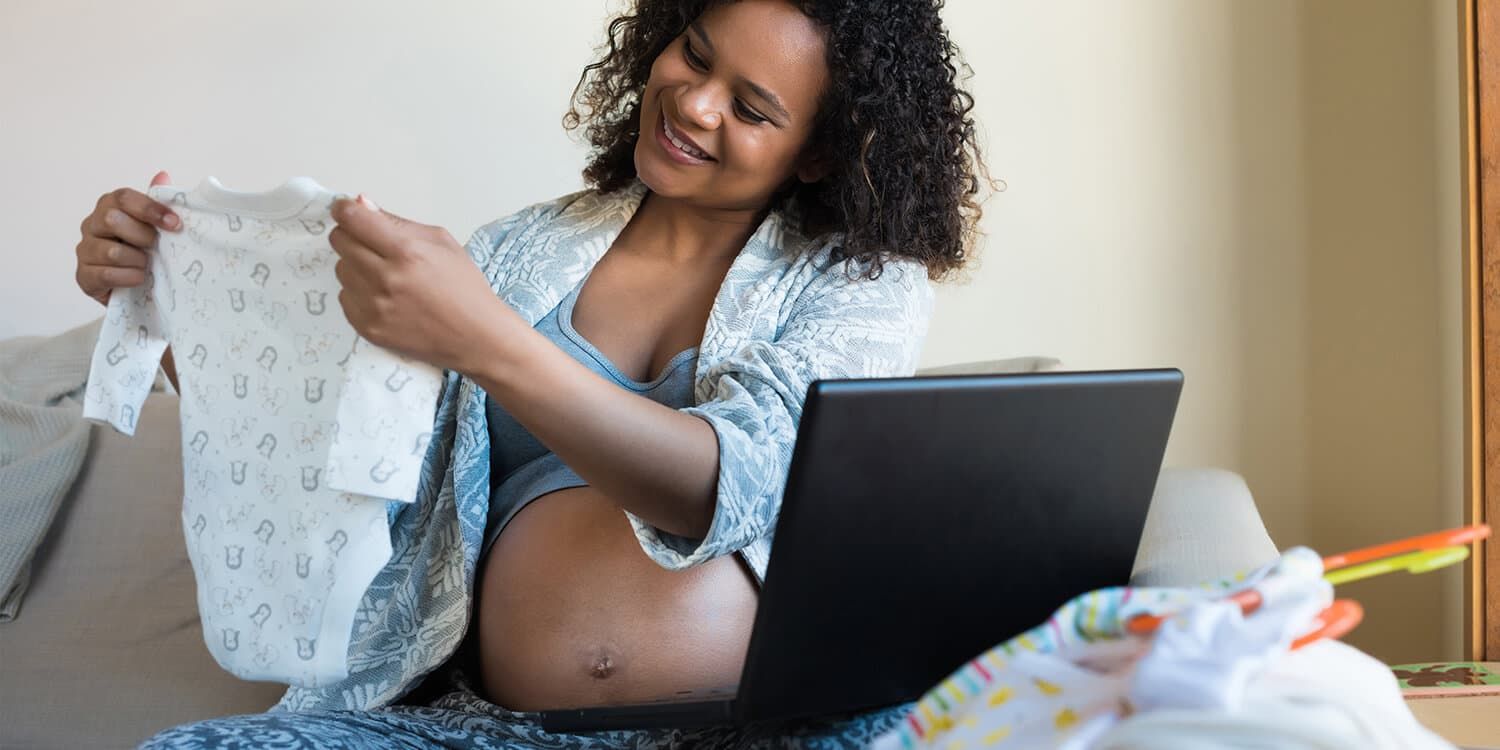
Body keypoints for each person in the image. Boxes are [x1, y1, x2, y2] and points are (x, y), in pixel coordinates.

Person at [75, 0, 986, 746]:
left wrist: (483, 340)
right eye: (694, 55)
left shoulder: (860, 282)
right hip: (486, 730)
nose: (696, 103)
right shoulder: (516, 252)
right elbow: (352, 454)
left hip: (756, 730)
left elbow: (735, 486)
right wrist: (173, 304)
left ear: (819, 150)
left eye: (751, 108)